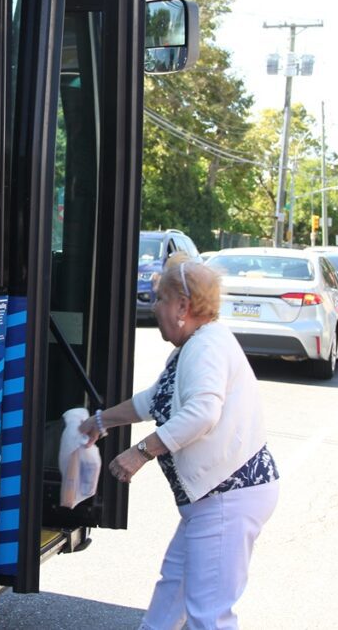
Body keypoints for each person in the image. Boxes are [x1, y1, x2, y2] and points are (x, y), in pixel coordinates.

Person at [78, 253, 279, 630]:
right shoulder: (194, 345)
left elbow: (203, 413)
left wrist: (141, 452)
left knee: (209, 615)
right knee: (172, 597)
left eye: (160, 299)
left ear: (183, 306)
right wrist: (101, 421)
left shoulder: (206, 346)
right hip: (212, 500)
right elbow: (153, 400)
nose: (154, 307)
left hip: (226, 499)